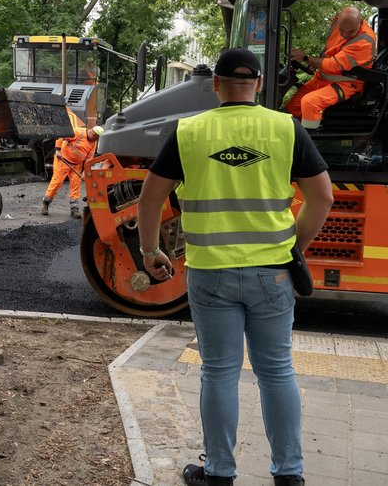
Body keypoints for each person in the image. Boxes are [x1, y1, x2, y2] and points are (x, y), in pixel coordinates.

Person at [137, 48, 333, 486]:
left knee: (219, 371)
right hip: (273, 272)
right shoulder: (286, 128)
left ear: (216, 85)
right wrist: (294, 248)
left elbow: (150, 197)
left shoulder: (190, 131)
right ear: (259, 85)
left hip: (211, 274)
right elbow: (322, 198)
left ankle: (220, 473)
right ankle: (289, 474)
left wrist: (150, 251)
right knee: (277, 371)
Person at [285, 6, 377, 130]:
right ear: (338, 20)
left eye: (351, 32)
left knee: (309, 102)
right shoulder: (337, 21)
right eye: (342, 30)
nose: (345, 34)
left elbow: (333, 65)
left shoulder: (364, 41)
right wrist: (315, 61)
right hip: (323, 78)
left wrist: (306, 58)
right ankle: (291, 137)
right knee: (292, 108)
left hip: (347, 84)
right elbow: (330, 48)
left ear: (360, 22)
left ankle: (309, 141)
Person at [41, 113, 104, 219]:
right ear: (93, 134)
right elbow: (61, 136)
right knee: (57, 182)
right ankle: (46, 203)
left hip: (77, 165)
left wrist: (85, 171)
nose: (96, 140)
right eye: (96, 138)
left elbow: (89, 158)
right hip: (63, 161)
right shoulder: (78, 132)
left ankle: (74, 209)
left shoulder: (93, 143)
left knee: (76, 185)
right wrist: (58, 151)